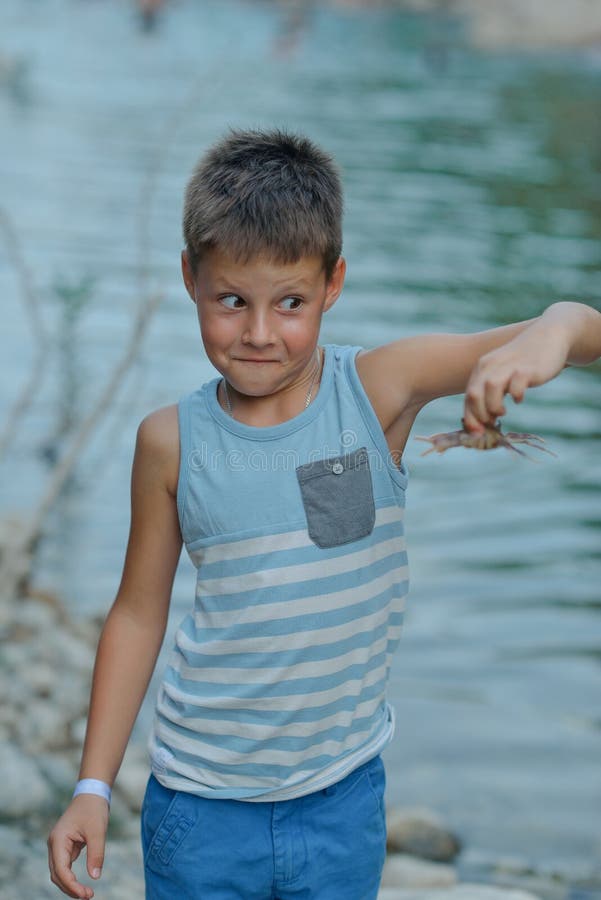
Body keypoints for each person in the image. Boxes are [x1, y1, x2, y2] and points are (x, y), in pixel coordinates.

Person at [47, 128, 601, 900]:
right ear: (190, 279)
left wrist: (541, 341)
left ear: (333, 283)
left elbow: (581, 327)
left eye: (291, 302)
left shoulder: (377, 392)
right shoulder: (169, 442)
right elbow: (138, 614)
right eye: (231, 301)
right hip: (200, 810)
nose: (259, 333)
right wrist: (94, 787)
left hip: (340, 804)